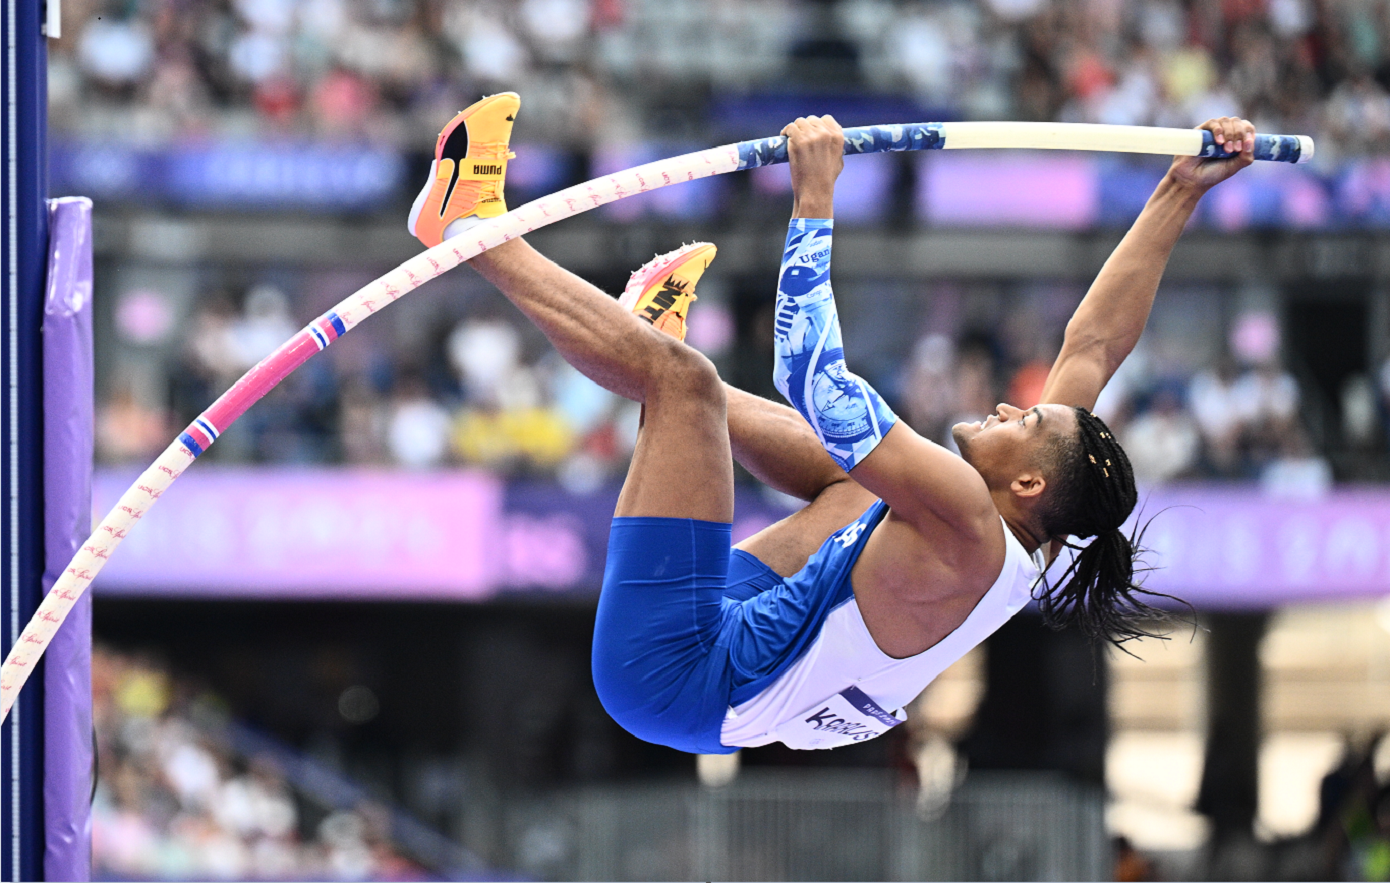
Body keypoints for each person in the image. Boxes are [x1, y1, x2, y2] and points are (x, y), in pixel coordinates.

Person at [408, 93, 1257, 754]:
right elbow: (1097, 341)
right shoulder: (1029, 519)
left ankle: (467, 229)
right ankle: (641, 347)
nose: (1008, 404)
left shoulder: (967, 521)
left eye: (1024, 418)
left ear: (1028, 481)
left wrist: (812, 195)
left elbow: (813, 378)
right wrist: (1179, 190)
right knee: (855, 483)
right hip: (749, 638)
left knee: (686, 383)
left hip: (681, 676)